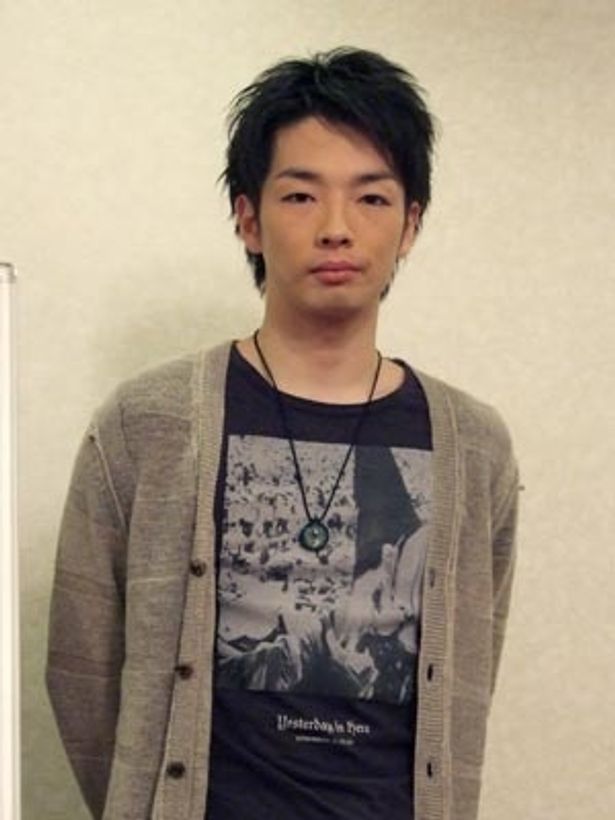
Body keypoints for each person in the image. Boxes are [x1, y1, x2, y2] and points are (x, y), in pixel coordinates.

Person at [46, 47, 519, 820]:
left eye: (371, 198)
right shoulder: (146, 423)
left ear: (409, 224)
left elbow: (470, 670)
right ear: (248, 217)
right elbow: (81, 666)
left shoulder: (475, 447)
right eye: (300, 195)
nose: (336, 228)